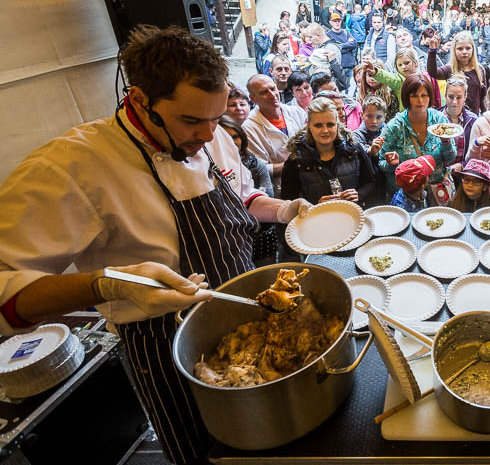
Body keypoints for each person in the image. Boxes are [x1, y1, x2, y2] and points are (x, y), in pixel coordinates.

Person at [0, 26, 310, 465]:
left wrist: (283, 210)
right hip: (165, 346)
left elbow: (239, 197)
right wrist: (108, 285)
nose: (207, 134)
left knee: (271, 441)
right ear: (141, 99)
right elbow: (5, 286)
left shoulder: (210, 132)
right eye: (190, 120)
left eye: (214, 116)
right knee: (205, 452)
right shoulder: (72, 166)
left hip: (245, 313)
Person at [281, 96, 374, 208]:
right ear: (309, 125)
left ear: (337, 124)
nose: (325, 131)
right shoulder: (297, 160)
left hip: (353, 216)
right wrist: (314, 205)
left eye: (330, 125)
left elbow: (370, 181)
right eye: (318, 125)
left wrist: (359, 194)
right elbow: (288, 201)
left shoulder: (354, 148)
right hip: (316, 221)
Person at [379, 75, 457, 200]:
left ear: (430, 96)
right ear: (406, 97)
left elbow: (450, 158)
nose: (420, 101)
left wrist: (446, 142)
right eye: (414, 96)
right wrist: (392, 164)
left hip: (437, 192)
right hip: (406, 196)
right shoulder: (394, 127)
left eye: (424, 95)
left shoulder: (439, 120)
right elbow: (381, 163)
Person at [218, 115, 278, 261]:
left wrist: (283, 208)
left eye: (235, 137)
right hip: (230, 242)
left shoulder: (255, 164)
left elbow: (264, 196)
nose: (230, 142)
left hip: (262, 237)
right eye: (224, 137)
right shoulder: (211, 167)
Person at [243, 74, 308, 195]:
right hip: (280, 189)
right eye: (264, 92)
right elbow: (260, 168)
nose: (272, 95)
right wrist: (295, 164)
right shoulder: (249, 128)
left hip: (308, 182)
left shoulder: (297, 112)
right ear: (253, 98)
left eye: (273, 89)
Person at [427, 31, 488, 115]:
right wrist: (432, 51)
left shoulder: (480, 69)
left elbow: (483, 96)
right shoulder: (450, 69)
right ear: (454, 50)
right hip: (453, 116)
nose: (464, 52)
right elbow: (433, 72)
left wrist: (485, 115)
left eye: (468, 48)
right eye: (460, 48)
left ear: (473, 49)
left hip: (473, 118)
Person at [441, 75, 478, 171]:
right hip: (439, 173)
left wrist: (463, 165)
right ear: (445, 95)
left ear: (465, 97)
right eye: (451, 97)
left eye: (459, 97)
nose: (454, 102)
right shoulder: (436, 118)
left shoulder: (473, 120)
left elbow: (476, 152)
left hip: (463, 175)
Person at [326, 12, 358, 92]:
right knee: (339, 91)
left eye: (338, 21)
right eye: (335, 21)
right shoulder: (328, 35)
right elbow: (333, 48)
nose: (337, 23)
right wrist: (347, 45)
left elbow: (354, 44)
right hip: (339, 67)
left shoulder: (346, 32)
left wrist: (340, 46)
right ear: (330, 22)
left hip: (350, 65)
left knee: (351, 90)